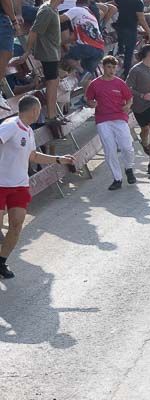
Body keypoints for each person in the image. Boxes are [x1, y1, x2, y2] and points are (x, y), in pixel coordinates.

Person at [0, 95, 74, 278]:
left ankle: (1, 262)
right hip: (0, 184)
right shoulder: (10, 125)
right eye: (39, 110)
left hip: (19, 185)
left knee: (16, 225)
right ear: (34, 110)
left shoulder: (28, 131)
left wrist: (58, 160)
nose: (39, 114)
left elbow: (33, 156)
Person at [85, 55, 136, 190]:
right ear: (103, 67)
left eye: (114, 67)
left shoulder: (120, 83)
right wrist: (92, 103)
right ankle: (117, 178)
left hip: (119, 118)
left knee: (127, 147)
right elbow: (89, 100)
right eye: (109, 67)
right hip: (103, 120)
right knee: (110, 149)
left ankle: (129, 168)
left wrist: (128, 106)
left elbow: (129, 97)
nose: (112, 70)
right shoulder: (94, 84)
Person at [28, 0, 67, 122]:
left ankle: (53, 114)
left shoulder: (53, 10)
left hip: (53, 52)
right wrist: (27, 52)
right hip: (48, 53)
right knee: (52, 82)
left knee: (54, 81)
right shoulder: (47, 10)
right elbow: (34, 31)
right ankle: (51, 116)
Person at [126, 44, 150, 177]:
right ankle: (144, 143)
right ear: (149, 54)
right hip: (139, 106)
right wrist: (142, 95)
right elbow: (127, 88)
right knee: (145, 130)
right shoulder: (136, 70)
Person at [113, 0, 150, 75]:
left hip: (119, 27)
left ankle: (119, 55)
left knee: (120, 49)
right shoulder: (138, 2)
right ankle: (126, 73)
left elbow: (112, 3)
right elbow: (141, 19)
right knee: (129, 52)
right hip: (130, 28)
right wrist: (149, 32)